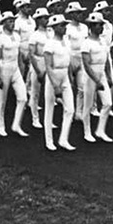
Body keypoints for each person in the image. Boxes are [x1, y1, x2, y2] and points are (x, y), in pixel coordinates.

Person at [0, 10, 29, 137]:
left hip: (15, 69)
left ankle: (16, 125)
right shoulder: (0, 38)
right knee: (2, 101)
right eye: (9, 21)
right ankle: (1, 127)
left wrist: (21, 67)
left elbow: (18, 55)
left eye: (13, 21)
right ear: (4, 23)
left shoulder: (17, 36)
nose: (12, 23)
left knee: (23, 98)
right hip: (4, 69)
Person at [43, 14, 75, 151]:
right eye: (62, 25)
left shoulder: (66, 42)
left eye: (65, 25)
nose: (65, 28)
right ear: (55, 28)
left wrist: (70, 77)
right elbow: (48, 66)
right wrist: (55, 85)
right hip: (53, 77)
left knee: (70, 109)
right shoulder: (49, 44)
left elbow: (67, 61)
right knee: (49, 109)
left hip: (65, 76)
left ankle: (63, 139)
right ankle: (49, 141)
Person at [81, 12, 113, 143]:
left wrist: (109, 76)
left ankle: (100, 130)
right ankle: (87, 132)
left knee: (108, 103)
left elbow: (106, 61)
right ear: (92, 26)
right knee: (88, 106)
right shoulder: (86, 43)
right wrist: (96, 80)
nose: (101, 28)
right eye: (99, 25)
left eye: (102, 25)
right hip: (90, 77)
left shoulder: (103, 41)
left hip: (102, 75)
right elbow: (87, 65)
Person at [26, 7, 49, 129]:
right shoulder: (34, 36)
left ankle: (47, 119)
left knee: (49, 93)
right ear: (39, 20)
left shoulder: (51, 33)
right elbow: (31, 54)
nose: (47, 20)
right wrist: (38, 70)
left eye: (47, 18)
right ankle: (35, 118)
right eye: (45, 18)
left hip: (49, 63)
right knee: (35, 93)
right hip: (38, 62)